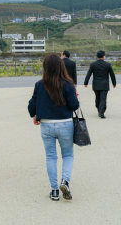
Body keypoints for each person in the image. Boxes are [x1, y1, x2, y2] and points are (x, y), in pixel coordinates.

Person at [28, 54, 80, 201]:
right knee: (68, 155)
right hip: (65, 123)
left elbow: (32, 104)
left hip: (46, 124)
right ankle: (65, 181)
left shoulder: (40, 84)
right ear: (61, 67)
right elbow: (74, 105)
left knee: (51, 157)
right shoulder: (68, 84)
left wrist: (35, 115)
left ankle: (55, 191)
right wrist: (77, 98)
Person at [83, 50, 116, 118]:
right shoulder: (107, 64)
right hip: (104, 84)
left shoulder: (93, 64)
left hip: (96, 84)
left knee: (97, 98)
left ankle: (99, 110)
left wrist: (86, 82)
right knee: (103, 98)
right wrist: (114, 83)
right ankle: (101, 112)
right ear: (103, 56)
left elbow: (89, 74)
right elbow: (112, 74)